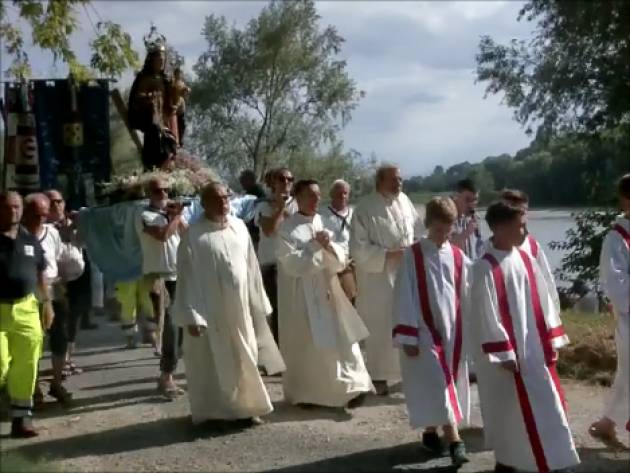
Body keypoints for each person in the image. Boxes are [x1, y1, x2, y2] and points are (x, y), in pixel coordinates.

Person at [471, 201, 579, 473]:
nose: (524, 231)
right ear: (501, 227)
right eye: (520, 225)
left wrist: (552, 338)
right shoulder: (484, 268)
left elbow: (544, 301)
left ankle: (550, 461)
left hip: (534, 349)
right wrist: (504, 351)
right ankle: (510, 463)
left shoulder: (524, 258)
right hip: (507, 358)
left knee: (547, 406)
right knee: (511, 413)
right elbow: (486, 313)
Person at [173, 182, 274, 426]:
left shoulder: (239, 227)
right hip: (208, 311)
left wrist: (259, 302)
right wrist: (192, 315)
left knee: (245, 356)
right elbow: (186, 276)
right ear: (204, 203)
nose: (223, 203)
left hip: (239, 310)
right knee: (211, 361)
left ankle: (247, 408)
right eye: (216, 199)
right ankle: (214, 413)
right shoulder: (193, 235)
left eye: (226, 198)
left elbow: (251, 266)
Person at [276, 179, 372, 408]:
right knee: (311, 346)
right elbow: (290, 265)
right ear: (297, 198)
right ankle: (309, 394)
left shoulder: (321, 221)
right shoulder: (287, 229)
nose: (316, 199)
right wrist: (313, 247)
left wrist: (329, 246)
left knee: (344, 341)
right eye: (310, 195)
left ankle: (354, 386)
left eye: (318, 195)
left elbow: (340, 258)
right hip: (304, 296)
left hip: (329, 290)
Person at [393, 197, 470, 467]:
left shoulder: (458, 256)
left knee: (440, 386)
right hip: (423, 330)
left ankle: (430, 433)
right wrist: (407, 334)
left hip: (452, 331)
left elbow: (468, 293)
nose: (444, 235)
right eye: (438, 229)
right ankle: (455, 441)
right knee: (437, 383)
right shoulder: (413, 255)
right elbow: (403, 294)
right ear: (428, 225)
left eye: (448, 229)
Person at [350, 164, 422, 395]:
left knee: (407, 319)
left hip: (405, 274)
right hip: (377, 279)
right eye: (394, 180)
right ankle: (378, 376)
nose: (399, 184)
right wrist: (389, 255)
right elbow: (358, 248)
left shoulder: (405, 202)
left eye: (400, 179)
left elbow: (418, 232)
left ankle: (406, 372)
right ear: (380, 181)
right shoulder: (365, 208)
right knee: (380, 326)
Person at [23, 193, 83, 404]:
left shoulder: (52, 233)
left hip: (54, 289)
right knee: (33, 342)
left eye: (43, 213)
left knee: (60, 337)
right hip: (29, 292)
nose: (40, 218)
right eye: (35, 214)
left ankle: (56, 383)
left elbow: (60, 259)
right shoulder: (19, 235)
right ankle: (33, 387)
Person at [0, 191, 51, 438]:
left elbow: (41, 273)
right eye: (8, 207)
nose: (13, 212)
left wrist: (47, 304)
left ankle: (21, 420)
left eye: (17, 207)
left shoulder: (30, 240)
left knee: (27, 364)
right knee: (0, 364)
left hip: (27, 308)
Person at [136, 177, 187, 399]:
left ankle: (169, 374)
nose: (164, 194)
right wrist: (175, 217)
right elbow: (162, 236)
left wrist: (178, 217)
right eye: (158, 191)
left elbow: (187, 235)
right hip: (159, 278)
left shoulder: (171, 215)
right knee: (169, 329)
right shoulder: (145, 215)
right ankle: (166, 377)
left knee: (182, 328)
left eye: (167, 190)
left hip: (179, 276)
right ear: (149, 192)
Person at [589, 174, 630, 442]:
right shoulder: (616, 238)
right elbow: (616, 283)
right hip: (629, 317)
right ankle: (607, 423)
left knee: (628, 373)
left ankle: (606, 423)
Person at [45, 190, 89, 377]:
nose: (56, 205)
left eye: (59, 201)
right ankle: (60, 360)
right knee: (60, 321)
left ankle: (67, 358)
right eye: (51, 202)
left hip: (77, 276)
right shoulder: (42, 226)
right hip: (55, 280)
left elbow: (84, 242)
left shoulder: (74, 221)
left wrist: (79, 226)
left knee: (74, 318)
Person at [254, 167, 297, 345]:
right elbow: (269, 230)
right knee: (276, 310)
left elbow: (299, 227)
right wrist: (279, 209)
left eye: (289, 179)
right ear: (272, 183)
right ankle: (277, 353)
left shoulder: (297, 203)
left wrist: (285, 208)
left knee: (294, 310)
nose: (286, 183)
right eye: (281, 179)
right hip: (271, 264)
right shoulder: (263, 205)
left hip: (294, 262)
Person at [500, 189, 560, 313]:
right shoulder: (491, 247)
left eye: (523, 212)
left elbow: (547, 280)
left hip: (530, 313)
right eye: (515, 211)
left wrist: (554, 311)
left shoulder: (532, 246)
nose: (520, 216)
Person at [320, 180, 356, 302]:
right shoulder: (321, 214)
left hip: (352, 263)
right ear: (331, 194)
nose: (342, 196)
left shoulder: (355, 215)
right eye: (339, 193)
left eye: (345, 193)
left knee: (354, 300)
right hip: (332, 264)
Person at [451, 178, 484, 260]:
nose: (471, 204)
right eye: (467, 199)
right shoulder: (447, 218)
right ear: (456, 196)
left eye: (475, 199)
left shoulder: (475, 218)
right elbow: (446, 246)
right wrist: (466, 233)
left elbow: (479, 247)